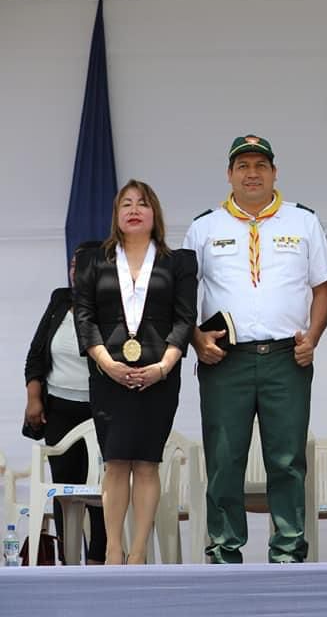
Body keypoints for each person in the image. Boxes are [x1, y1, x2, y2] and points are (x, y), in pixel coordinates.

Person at [183, 134, 327, 564]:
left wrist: (313, 336)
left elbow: (324, 285)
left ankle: (288, 552)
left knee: (287, 460)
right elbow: (181, 294)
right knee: (224, 459)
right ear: (229, 174)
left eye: (260, 166)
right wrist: (196, 338)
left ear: (274, 172)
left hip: (286, 358)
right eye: (243, 166)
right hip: (224, 361)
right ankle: (223, 551)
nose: (252, 174)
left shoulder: (302, 222)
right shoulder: (204, 227)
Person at [73, 180, 198, 565]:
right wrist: (105, 361)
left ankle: (139, 550)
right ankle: (113, 548)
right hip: (107, 373)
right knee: (115, 462)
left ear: (154, 214)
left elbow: (185, 317)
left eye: (142, 204)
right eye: (125, 204)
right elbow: (84, 315)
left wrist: (164, 366)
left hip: (159, 374)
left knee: (146, 462)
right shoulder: (95, 260)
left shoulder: (178, 261)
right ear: (116, 215)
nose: (134, 209)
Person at [23, 239, 107, 565]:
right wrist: (34, 399)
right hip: (58, 409)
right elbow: (36, 356)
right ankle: (68, 561)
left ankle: (100, 560)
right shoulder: (60, 300)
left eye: (82, 265)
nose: (75, 271)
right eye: (73, 265)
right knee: (63, 492)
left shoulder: (115, 308)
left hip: (100, 410)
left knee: (100, 491)